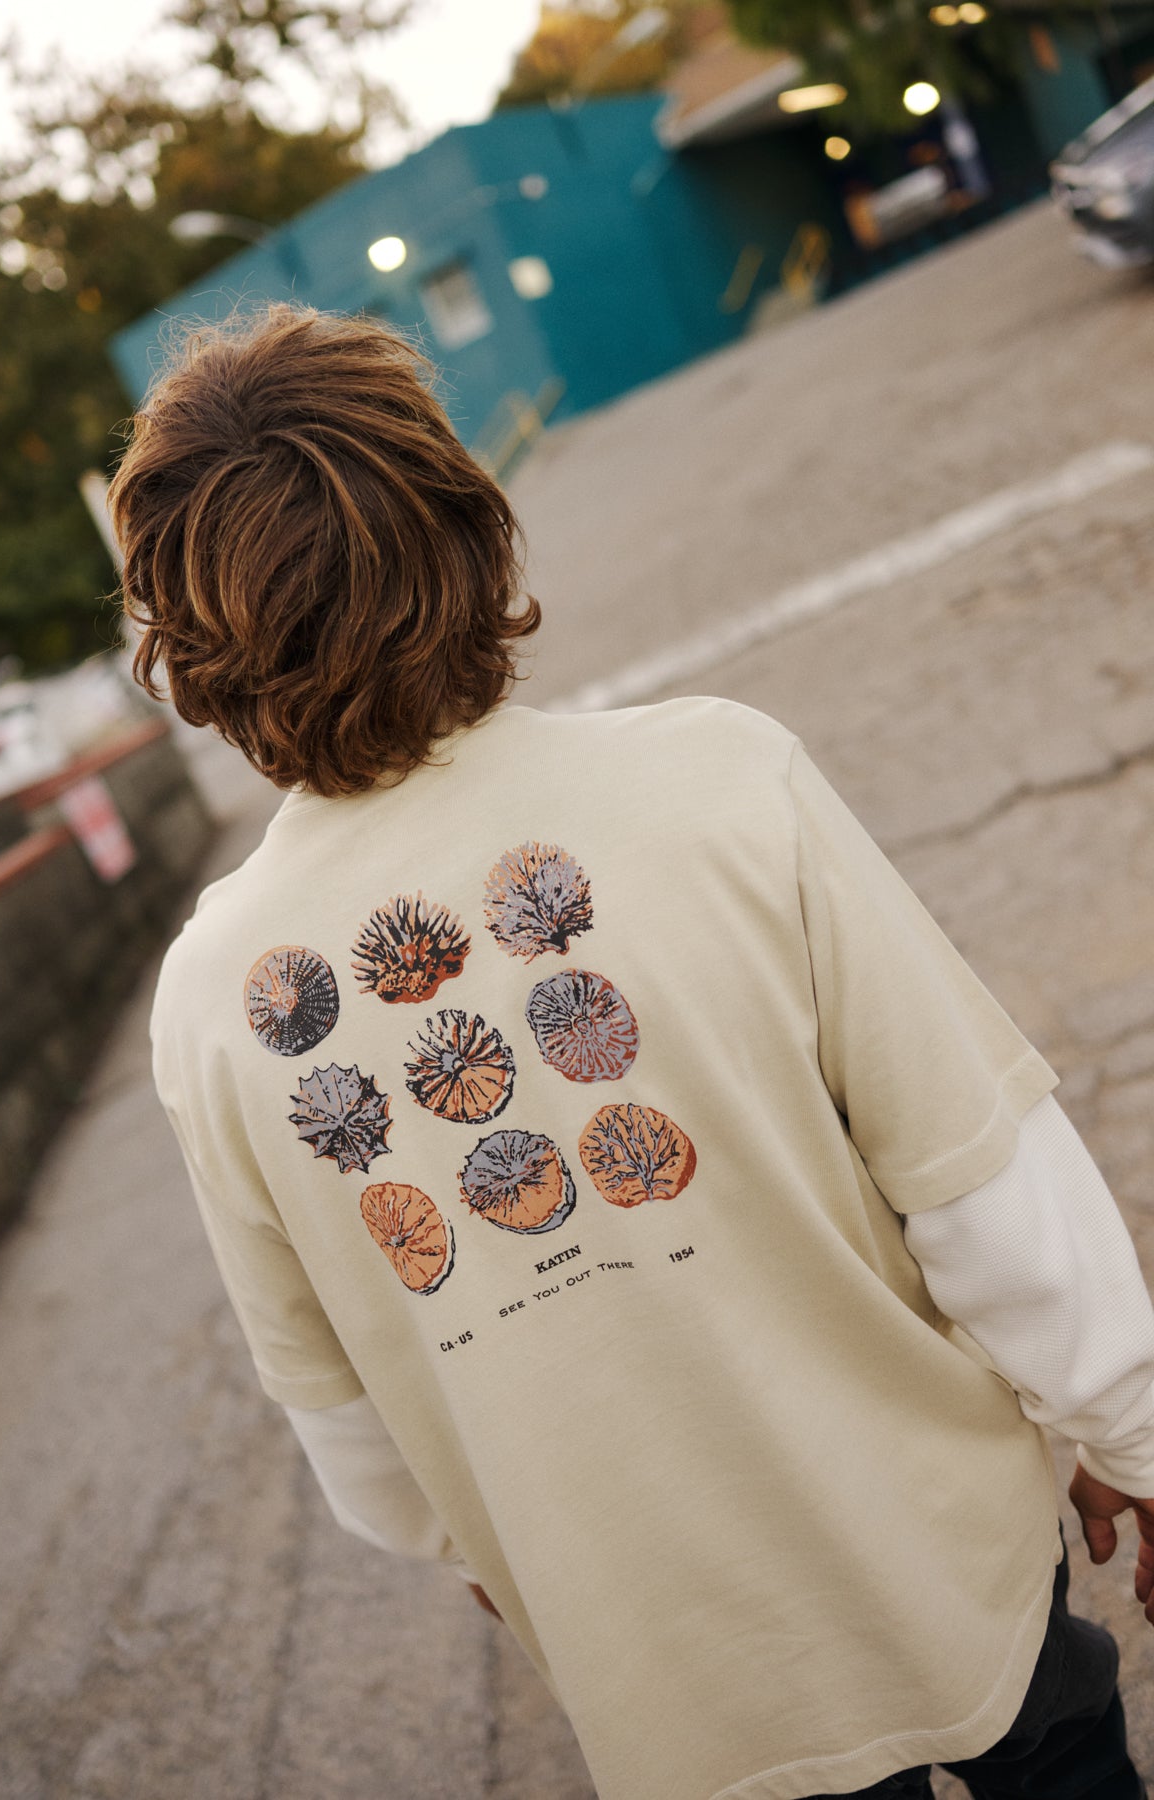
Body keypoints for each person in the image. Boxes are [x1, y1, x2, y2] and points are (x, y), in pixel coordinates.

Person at [109, 301, 1154, 1800]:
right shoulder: (724, 779)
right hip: (941, 1560)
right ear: (467, 530)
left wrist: (477, 1543)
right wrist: (1128, 1426)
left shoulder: (213, 1000)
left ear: (189, 652)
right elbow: (981, 1179)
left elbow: (340, 1412)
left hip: (676, 1682)